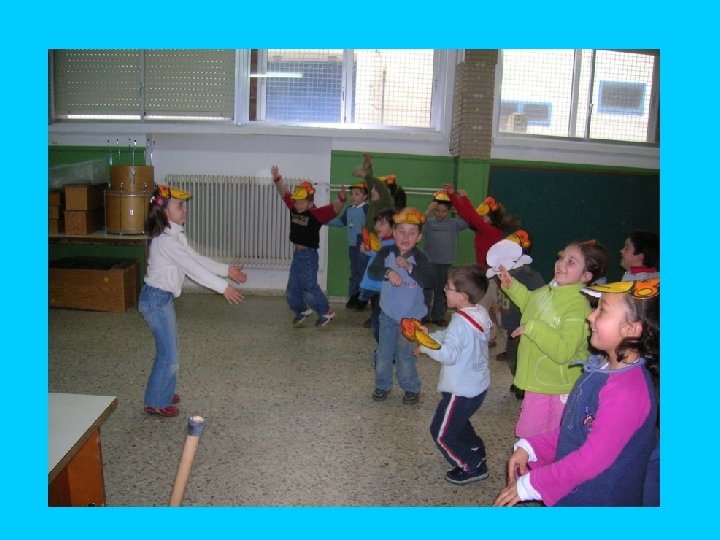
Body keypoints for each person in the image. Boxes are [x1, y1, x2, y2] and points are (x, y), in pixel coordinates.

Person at [493, 278, 659, 506]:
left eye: (602, 310)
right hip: (577, 490)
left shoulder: (627, 393)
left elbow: (592, 459)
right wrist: (532, 447)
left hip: (599, 500)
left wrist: (533, 484)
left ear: (632, 329)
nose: (590, 316)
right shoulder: (601, 368)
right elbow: (577, 428)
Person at [140, 184, 247, 417]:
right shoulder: (167, 242)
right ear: (165, 212)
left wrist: (226, 270)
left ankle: (162, 391)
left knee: (170, 350)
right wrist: (223, 288)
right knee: (169, 353)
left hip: (161, 299)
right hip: (156, 300)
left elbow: (196, 259)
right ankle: (156, 401)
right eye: (179, 206)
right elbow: (192, 269)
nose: (185, 209)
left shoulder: (175, 236)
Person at [499, 239, 609, 438]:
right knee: (530, 435)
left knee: (555, 436)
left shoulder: (577, 306)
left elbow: (563, 352)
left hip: (559, 387)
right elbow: (530, 302)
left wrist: (533, 328)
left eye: (571, 262)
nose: (561, 264)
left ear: (586, 276)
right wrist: (512, 286)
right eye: (562, 257)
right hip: (538, 381)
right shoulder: (549, 290)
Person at [416, 265, 493, 485]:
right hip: (476, 386)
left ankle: (471, 466)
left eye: (448, 288)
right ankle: (475, 449)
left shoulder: (460, 322)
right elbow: (452, 337)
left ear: (462, 296)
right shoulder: (478, 313)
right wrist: (430, 337)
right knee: (458, 422)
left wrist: (425, 346)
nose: (444, 290)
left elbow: (448, 354)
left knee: (441, 433)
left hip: (460, 390)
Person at [367, 207, 433, 404]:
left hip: (411, 319)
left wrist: (410, 267)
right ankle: (382, 385)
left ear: (419, 237)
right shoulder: (385, 253)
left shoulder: (421, 258)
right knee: (383, 354)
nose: (405, 237)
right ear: (394, 233)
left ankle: (411, 388)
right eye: (401, 231)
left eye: (411, 233)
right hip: (388, 315)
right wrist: (388, 272)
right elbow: (373, 271)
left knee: (405, 357)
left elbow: (430, 281)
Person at [271, 165, 346, 328]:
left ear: (310, 202)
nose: (298, 205)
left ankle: (326, 311)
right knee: (292, 289)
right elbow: (284, 193)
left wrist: (341, 199)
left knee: (309, 287)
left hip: (308, 255)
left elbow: (332, 210)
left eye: (302, 202)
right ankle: (302, 310)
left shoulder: (315, 214)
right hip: (297, 256)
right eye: (297, 202)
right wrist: (277, 179)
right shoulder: (294, 208)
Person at [494, 230, 545, 400]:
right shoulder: (503, 272)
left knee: (521, 357)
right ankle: (518, 380)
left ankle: (523, 385)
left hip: (523, 327)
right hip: (511, 325)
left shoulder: (529, 276)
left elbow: (542, 298)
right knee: (512, 355)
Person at [422, 190, 468, 326]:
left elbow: (467, 221)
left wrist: (458, 211)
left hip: (446, 263)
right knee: (427, 289)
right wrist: (428, 210)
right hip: (430, 262)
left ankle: (438, 316)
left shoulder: (453, 223)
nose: (440, 214)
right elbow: (418, 225)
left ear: (448, 211)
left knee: (442, 291)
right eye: (437, 210)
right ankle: (423, 315)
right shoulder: (429, 223)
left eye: (443, 211)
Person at [328, 180, 369, 310]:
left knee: (362, 272)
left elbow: (373, 226)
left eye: (357, 194)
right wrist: (323, 219)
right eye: (352, 194)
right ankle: (354, 295)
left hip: (363, 246)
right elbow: (341, 222)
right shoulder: (349, 209)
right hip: (352, 246)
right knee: (354, 272)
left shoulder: (366, 208)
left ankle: (363, 298)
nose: (353, 196)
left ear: (365, 196)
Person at [358, 208, 396, 342]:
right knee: (378, 322)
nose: (377, 226)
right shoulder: (380, 241)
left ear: (393, 227)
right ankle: (384, 348)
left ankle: (385, 349)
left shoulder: (394, 244)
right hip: (377, 289)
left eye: (382, 223)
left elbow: (384, 258)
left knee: (378, 325)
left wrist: (369, 251)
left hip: (385, 290)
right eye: (376, 223)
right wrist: (367, 249)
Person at [353, 152, 395, 252]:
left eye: (375, 190)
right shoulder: (373, 202)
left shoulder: (385, 202)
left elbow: (377, 184)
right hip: (370, 241)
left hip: (379, 243)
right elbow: (371, 183)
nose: (371, 191)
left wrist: (364, 174)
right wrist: (368, 164)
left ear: (382, 192)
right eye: (371, 189)